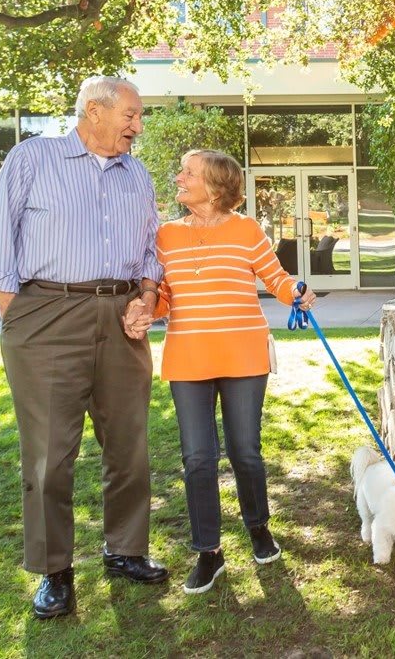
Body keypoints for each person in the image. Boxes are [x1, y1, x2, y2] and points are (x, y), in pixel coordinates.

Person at [0, 76, 166, 620]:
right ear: (94, 112)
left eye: (138, 116)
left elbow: (151, 247)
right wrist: (18, 313)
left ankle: (125, 549)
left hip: (123, 313)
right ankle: (53, 570)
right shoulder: (32, 158)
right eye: (131, 115)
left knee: (128, 443)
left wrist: (147, 297)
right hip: (46, 312)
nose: (137, 126)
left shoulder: (138, 173)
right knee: (48, 455)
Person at [146, 148, 313, 594]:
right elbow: (162, 296)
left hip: (243, 356)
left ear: (216, 187)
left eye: (188, 172)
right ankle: (208, 552)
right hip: (188, 359)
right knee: (198, 457)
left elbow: (275, 278)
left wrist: (295, 289)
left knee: (245, 451)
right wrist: (145, 309)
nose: (178, 176)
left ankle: (258, 529)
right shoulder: (164, 235)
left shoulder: (246, 229)